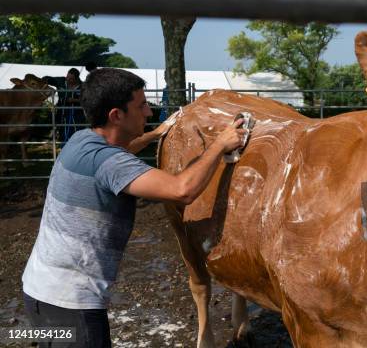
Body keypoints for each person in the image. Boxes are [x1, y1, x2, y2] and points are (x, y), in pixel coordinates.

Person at [21, 68, 246, 348]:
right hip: (73, 304)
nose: (149, 113)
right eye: (141, 106)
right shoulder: (112, 164)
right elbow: (182, 190)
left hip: (37, 294)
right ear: (116, 115)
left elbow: (123, 151)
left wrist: (154, 135)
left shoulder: (81, 141)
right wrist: (220, 144)